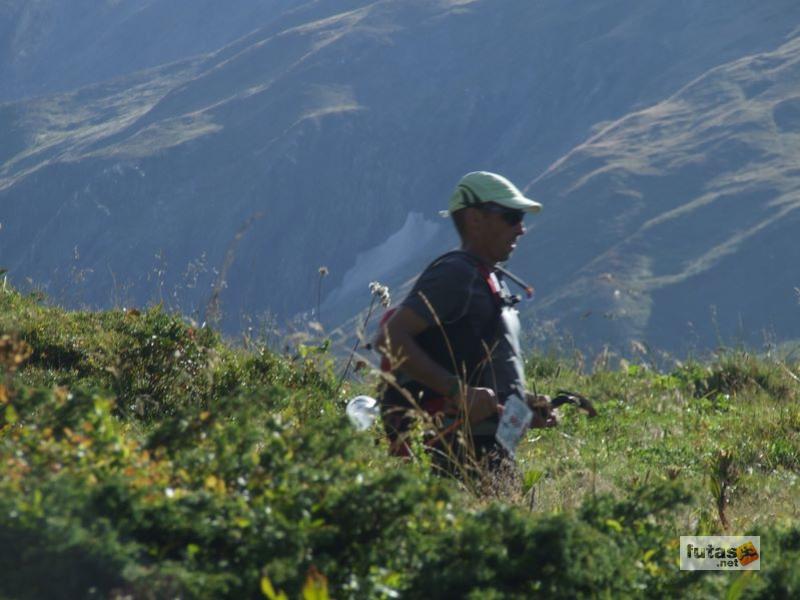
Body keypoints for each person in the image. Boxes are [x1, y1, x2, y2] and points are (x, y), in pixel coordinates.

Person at [374, 171, 553, 476]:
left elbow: (482, 377)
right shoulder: (455, 275)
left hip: (489, 451)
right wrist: (458, 391)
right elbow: (389, 338)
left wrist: (523, 410)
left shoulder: (491, 279)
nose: (521, 229)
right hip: (450, 453)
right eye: (511, 216)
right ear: (474, 219)